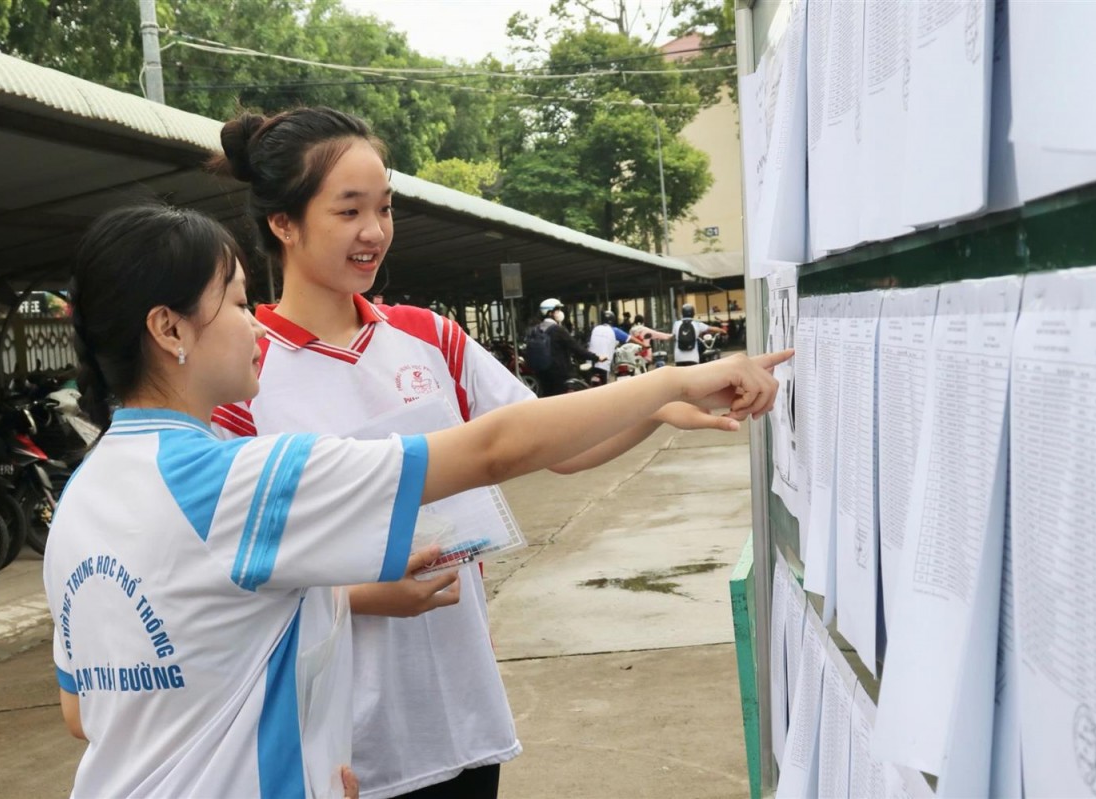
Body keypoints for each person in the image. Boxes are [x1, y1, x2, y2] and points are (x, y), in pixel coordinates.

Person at [48, 202, 791, 799]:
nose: (251, 322)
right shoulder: (238, 480)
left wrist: (304, 758)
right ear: (168, 327)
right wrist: (669, 382)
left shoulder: (82, 496)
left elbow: (87, 712)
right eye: (237, 303)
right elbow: (492, 449)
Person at [205, 106, 783, 799]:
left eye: (385, 208)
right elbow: (230, 575)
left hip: (460, 719)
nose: (374, 232)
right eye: (348, 210)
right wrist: (358, 594)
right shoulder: (243, 376)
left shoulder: (429, 338)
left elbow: (549, 443)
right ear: (284, 223)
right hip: (338, 745)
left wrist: (654, 410)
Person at [532, 298, 605, 398]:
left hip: (542, 373)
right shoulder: (557, 330)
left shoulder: (536, 329)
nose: (560, 313)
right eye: (557, 310)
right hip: (560, 373)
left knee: (548, 398)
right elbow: (576, 349)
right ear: (549, 313)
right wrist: (596, 357)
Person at [587, 310, 643, 385]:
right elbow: (630, 338)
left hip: (591, 362)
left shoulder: (595, 329)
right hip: (603, 364)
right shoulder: (613, 330)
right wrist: (644, 345)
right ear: (613, 320)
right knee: (605, 384)